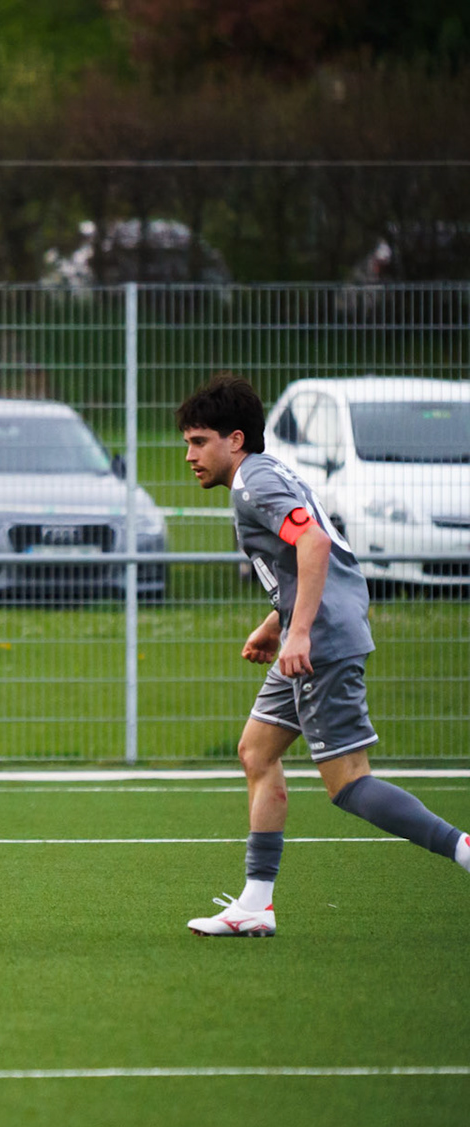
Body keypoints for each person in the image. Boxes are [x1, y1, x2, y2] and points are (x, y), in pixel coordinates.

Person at [178, 372, 469, 936]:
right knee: (257, 751)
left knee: (349, 784)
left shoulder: (253, 485)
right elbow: (321, 551)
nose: (189, 454)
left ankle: (462, 848)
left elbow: (311, 543)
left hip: (322, 642)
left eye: (198, 441)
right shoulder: (269, 473)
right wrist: (277, 623)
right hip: (310, 632)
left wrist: (302, 632)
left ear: (234, 439)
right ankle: (256, 905)